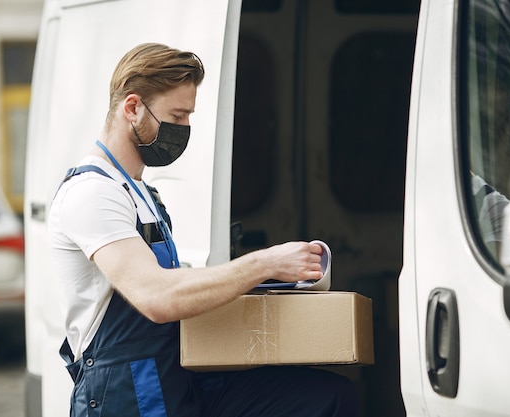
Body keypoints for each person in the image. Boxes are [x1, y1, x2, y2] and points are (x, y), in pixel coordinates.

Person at [48, 42, 358, 416]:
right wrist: (265, 264)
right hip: (127, 391)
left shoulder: (143, 193)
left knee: (325, 397)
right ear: (132, 108)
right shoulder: (93, 193)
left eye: (188, 117)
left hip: (175, 377)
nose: (184, 129)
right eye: (177, 116)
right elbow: (157, 298)